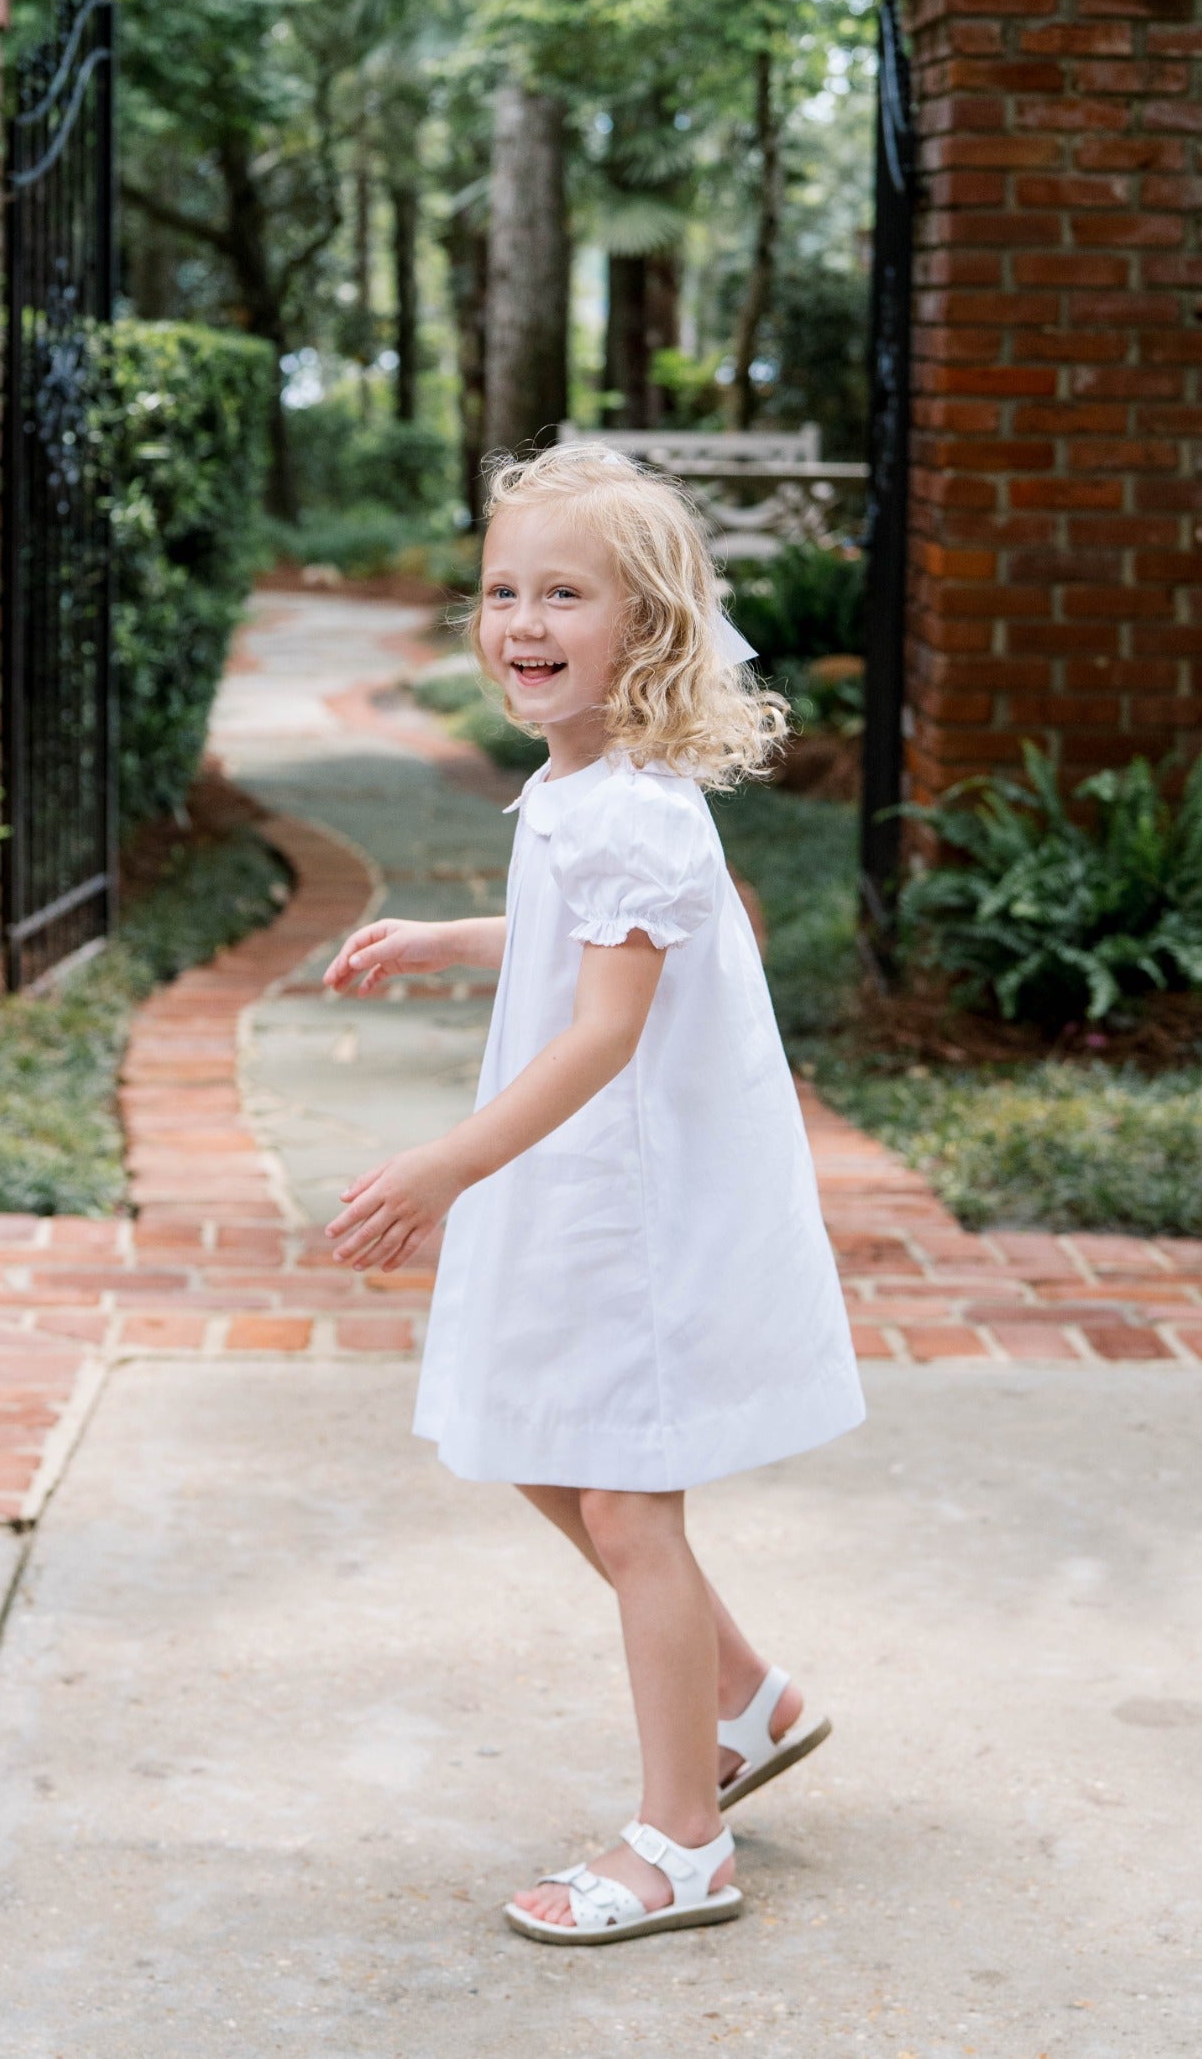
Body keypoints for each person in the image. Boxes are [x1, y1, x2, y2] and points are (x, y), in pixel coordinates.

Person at [321, 441, 866, 1946]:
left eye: (565, 593)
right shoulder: (590, 786)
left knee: (624, 1495)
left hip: (633, 1208)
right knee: (543, 1438)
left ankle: (684, 1841)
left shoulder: (629, 805)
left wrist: (444, 1165)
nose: (522, 620)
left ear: (648, 625)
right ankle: (744, 1698)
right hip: (592, 1189)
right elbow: (590, 933)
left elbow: (607, 1028)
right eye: (503, 590)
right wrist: (447, 937)